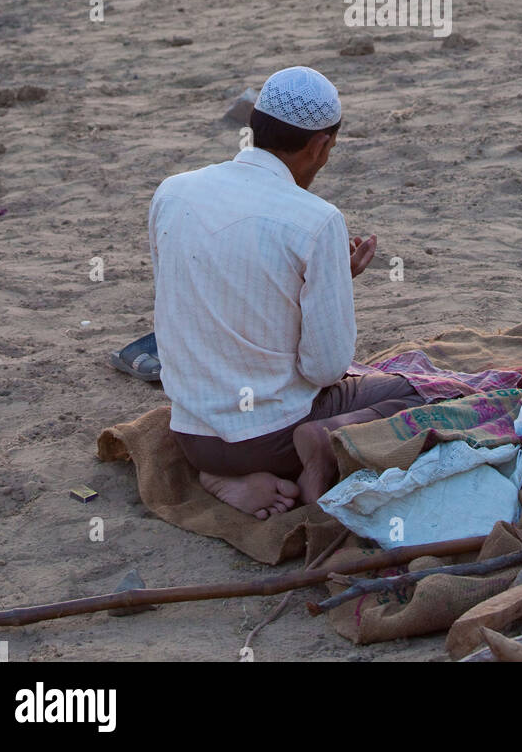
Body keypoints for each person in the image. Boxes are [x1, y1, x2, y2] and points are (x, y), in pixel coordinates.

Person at [151, 66, 421, 518]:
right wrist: (330, 287)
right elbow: (325, 367)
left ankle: (219, 479)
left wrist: (330, 279)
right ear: (320, 145)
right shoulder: (317, 219)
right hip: (269, 442)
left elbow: (200, 290)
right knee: (417, 394)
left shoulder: (172, 193)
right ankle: (321, 447)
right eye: (328, 150)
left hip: (195, 438)